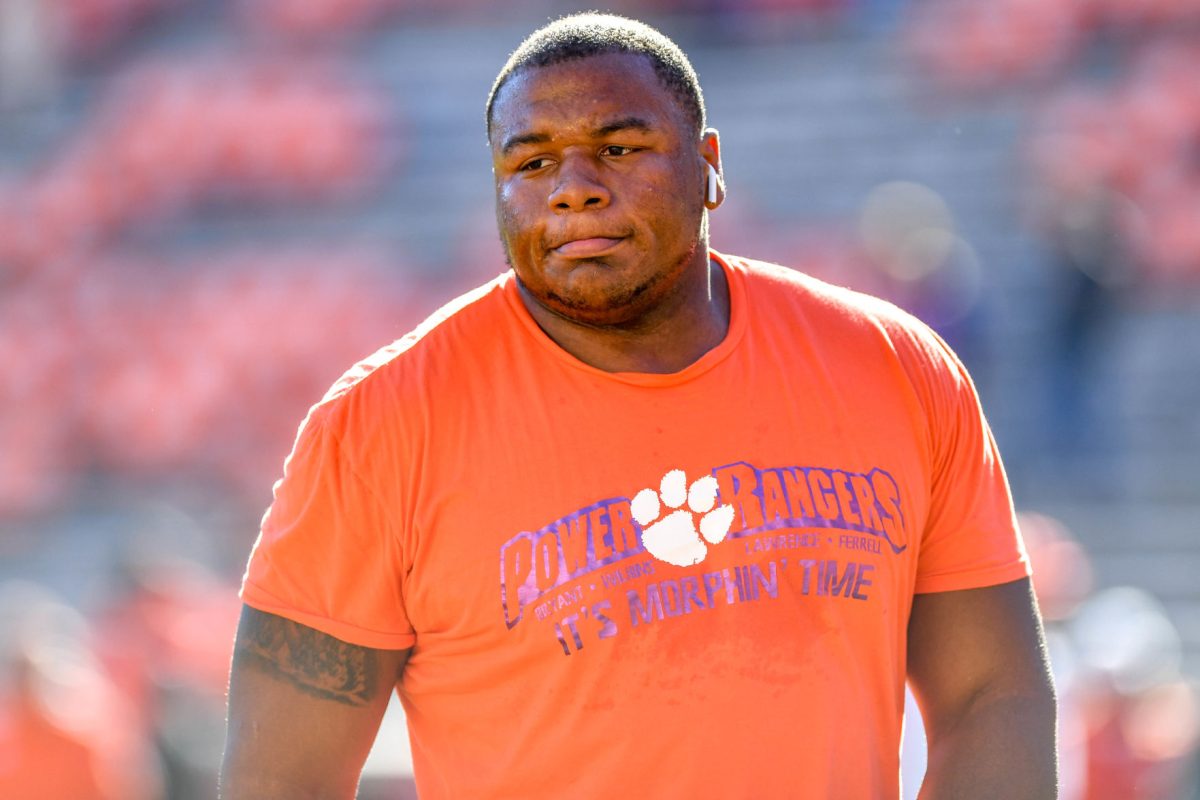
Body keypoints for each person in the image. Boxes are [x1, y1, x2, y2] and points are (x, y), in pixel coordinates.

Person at [220, 12, 1058, 799]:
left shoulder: (896, 370)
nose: (574, 188)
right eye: (532, 162)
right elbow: (278, 780)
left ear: (710, 164)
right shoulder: (378, 427)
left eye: (620, 148)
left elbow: (995, 693)